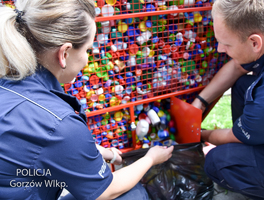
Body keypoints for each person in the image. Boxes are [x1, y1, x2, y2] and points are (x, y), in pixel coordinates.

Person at [0, 0, 174, 199]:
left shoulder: (10, 85)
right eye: (87, 50)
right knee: (133, 194)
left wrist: (104, 152)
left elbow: (46, 146)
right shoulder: (59, 122)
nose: (87, 60)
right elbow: (106, 191)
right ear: (64, 53)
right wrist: (151, 158)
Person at [192, 0, 264, 199]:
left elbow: (233, 136)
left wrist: (199, 135)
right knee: (243, 85)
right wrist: (199, 102)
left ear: (254, 42)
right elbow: (237, 67)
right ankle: (261, 137)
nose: (219, 49)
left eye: (226, 44)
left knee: (218, 162)